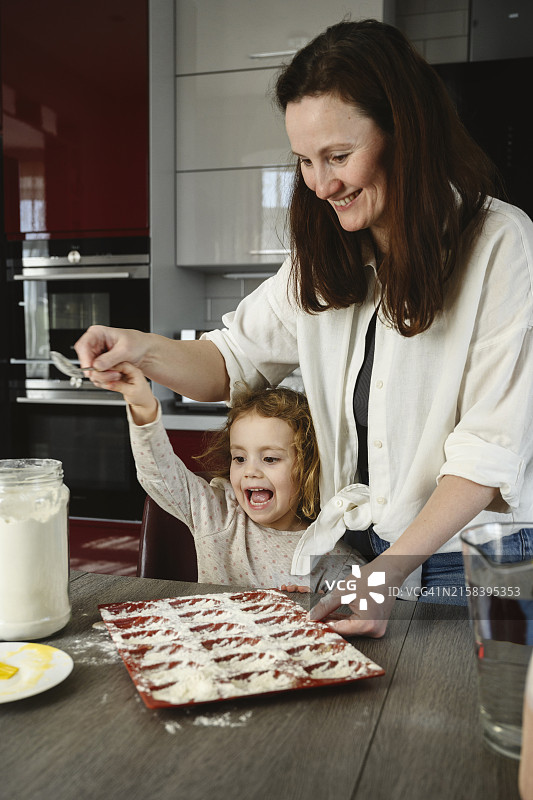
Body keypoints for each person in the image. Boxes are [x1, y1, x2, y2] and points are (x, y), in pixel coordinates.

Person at [75, 19, 533, 637]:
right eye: (305, 162)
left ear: (405, 136)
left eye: (339, 157)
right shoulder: (327, 260)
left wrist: (389, 573)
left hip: (472, 562)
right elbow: (229, 364)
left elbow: (488, 450)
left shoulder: (501, 246)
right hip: (356, 555)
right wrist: (141, 349)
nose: (321, 185)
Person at [104, 364, 355, 591]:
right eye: (239, 458)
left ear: (310, 468)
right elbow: (159, 476)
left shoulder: (332, 556)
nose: (250, 471)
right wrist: (142, 407)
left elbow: (375, 609)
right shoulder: (217, 514)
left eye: (270, 459)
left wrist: (315, 610)